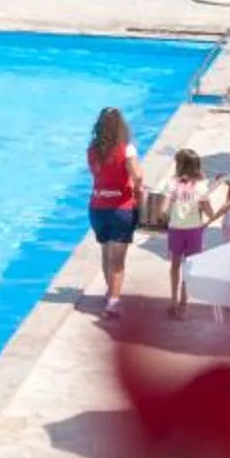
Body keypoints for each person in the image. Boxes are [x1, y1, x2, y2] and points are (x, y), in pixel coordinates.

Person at [86, 107, 143, 321]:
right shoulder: (126, 149)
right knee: (117, 259)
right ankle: (113, 301)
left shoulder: (92, 149)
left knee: (105, 253)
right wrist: (138, 191)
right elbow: (137, 175)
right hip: (121, 207)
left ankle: (110, 293)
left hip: (97, 206)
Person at [157, 147, 219, 318]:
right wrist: (211, 217)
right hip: (194, 231)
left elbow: (162, 211)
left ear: (178, 165)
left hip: (176, 230)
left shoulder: (171, 184)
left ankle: (173, 301)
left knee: (175, 266)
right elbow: (209, 211)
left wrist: (165, 217)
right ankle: (184, 304)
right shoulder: (200, 187)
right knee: (189, 268)